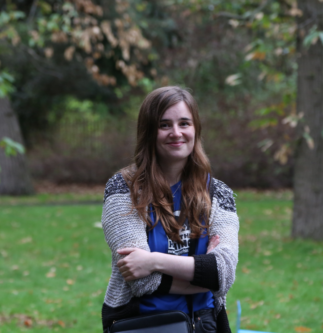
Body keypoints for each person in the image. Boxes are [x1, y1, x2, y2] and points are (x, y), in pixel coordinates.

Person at [101, 86, 239, 333]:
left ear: (195, 129)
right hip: (142, 324)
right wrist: (202, 275)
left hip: (205, 324)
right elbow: (141, 279)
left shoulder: (219, 193)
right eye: (164, 125)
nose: (176, 133)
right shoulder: (123, 188)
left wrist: (153, 261)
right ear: (149, 132)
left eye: (184, 123)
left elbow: (223, 274)